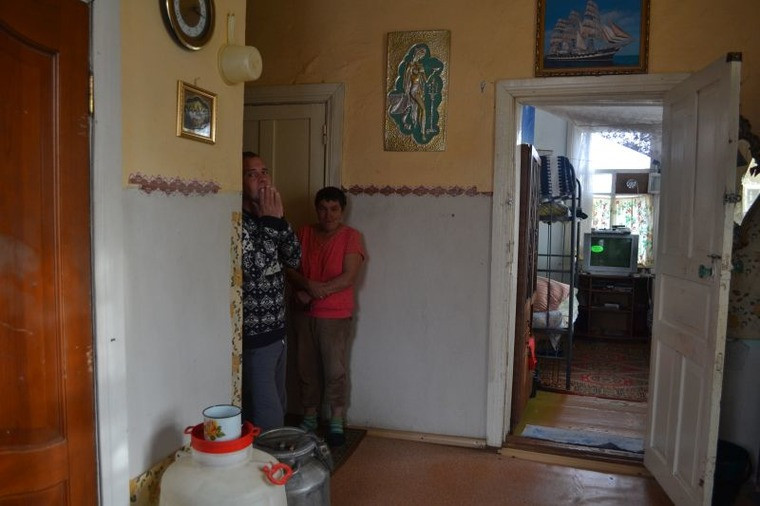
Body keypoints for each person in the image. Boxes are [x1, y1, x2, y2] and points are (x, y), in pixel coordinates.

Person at [287, 186, 366, 446]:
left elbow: (348, 277)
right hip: (303, 313)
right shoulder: (304, 233)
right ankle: (309, 417)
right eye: (322, 209)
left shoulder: (351, 237)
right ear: (316, 209)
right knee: (305, 367)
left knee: (335, 370)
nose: (328, 214)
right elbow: (289, 268)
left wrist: (313, 292)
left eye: (334, 209)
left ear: (342, 211)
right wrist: (306, 285)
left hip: (335, 315)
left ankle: (336, 420)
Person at [241, 151, 301, 431]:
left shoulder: (271, 219)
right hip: (254, 335)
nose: (262, 178)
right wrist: (270, 223)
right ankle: (270, 458)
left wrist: (278, 221)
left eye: (264, 171)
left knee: (279, 403)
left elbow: (294, 258)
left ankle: (274, 453)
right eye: (252, 174)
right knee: (266, 412)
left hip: (277, 329)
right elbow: (253, 269)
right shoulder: (238, 222)